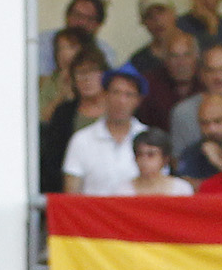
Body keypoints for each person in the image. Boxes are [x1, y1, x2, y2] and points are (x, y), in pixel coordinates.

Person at [62, 64, 144, 195]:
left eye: (129, 95)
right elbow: (71, 195)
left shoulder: (148, 138)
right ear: (105, 95)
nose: (121, 101)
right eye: (115, 93)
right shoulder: (82, 140)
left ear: (138, 100)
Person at [40, 41, 107, 193]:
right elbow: (53, 160)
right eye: (80, 73)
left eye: (92, 71)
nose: (87, 78)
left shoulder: (116, 110)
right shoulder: (64, 113)